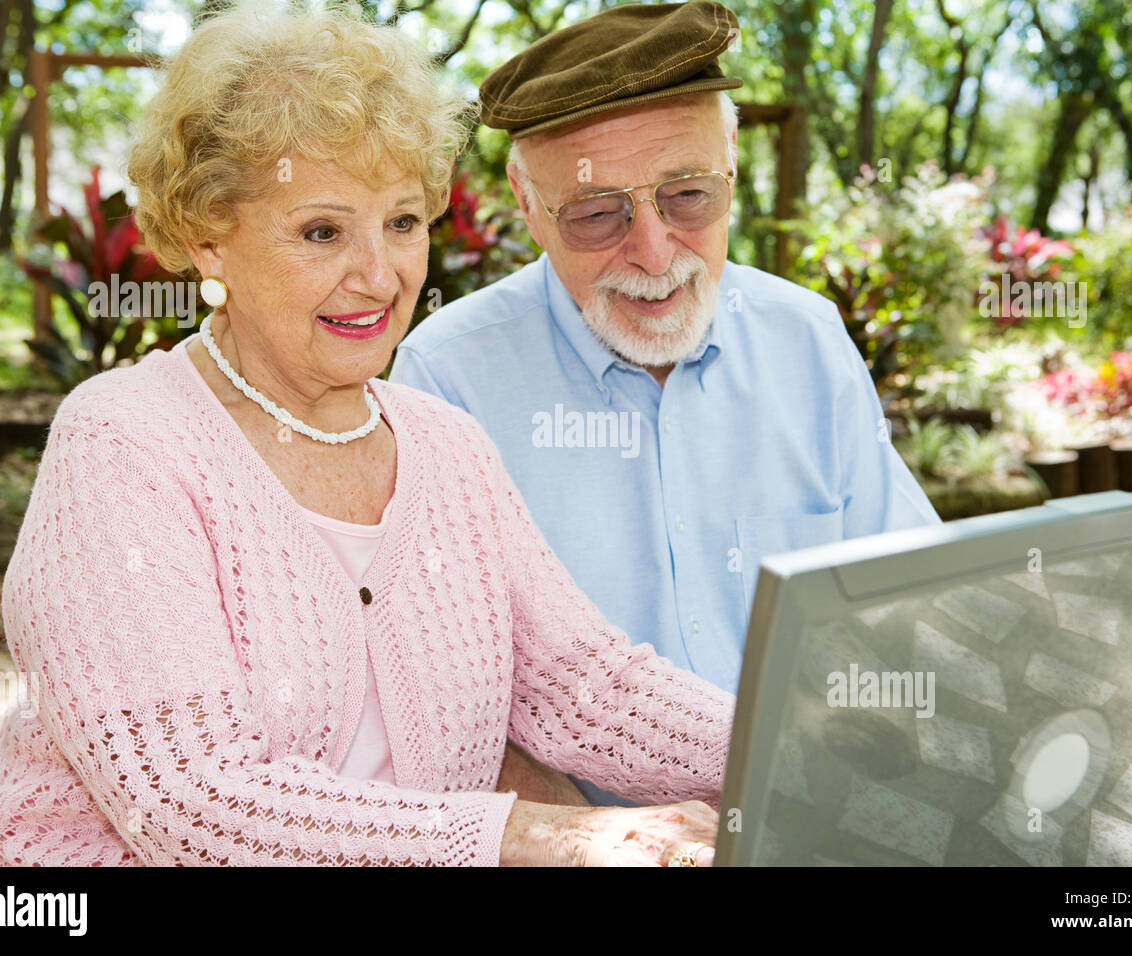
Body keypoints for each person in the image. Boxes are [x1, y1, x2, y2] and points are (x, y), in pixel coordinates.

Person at [0, 1, 732, 867]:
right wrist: (536, 837)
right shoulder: (124, 444)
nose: (379, 275)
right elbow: (196, 801)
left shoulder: (447, 447)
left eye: (402, 223)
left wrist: (813, 738)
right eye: (322, 231)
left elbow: (586, 689)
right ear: (209, 240)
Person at [390, 0, 941, 804]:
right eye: (594, 213)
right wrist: (592, 846)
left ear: (731, 163)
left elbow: (906, 601)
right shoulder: (447, 379)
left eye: (687, 197)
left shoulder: (808, 340)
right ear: (525, 203)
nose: (652, 253)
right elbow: (441, 706)